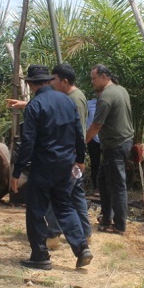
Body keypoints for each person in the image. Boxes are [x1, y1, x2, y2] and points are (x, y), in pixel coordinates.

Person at [9, 65, 93, 271]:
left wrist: (17, 172)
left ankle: (40, 256)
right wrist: (80, 159)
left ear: (30, 84)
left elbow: (28, 142)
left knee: (36, 210)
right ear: (48, 81)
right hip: (66, 163)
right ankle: (82, 248)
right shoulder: (67, 100)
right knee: (64, 205)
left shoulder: (34, 106)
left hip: (43, 165)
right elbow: (78, 135)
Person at [43, 64, 92, 245]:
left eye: (54, 79)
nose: (51, 83)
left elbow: (77, 132)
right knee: (75, 195)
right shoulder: (71, 97)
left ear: (64, 81)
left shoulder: (74, 100)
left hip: (69, 157)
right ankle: (85, 233)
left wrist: (77, 158)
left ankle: (53, 234)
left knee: (57, 194)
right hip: (72, 156)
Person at [85, 64, 133, 234]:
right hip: (120, 143)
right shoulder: (121, 90)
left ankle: (119, 225)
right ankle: (107, 217)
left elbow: (96, 125)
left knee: (117, 185)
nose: (92, 82)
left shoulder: (106, 97)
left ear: (104, 77)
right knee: (103, 182)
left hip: (116, 145)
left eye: (94, 78)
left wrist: (82, 142)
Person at [85, 98, 101, 192]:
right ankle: (96, 186)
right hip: (92, 138)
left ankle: (106, 187)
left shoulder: (110, 103)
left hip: (106, 139)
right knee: (95, 163)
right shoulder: (89, 104)